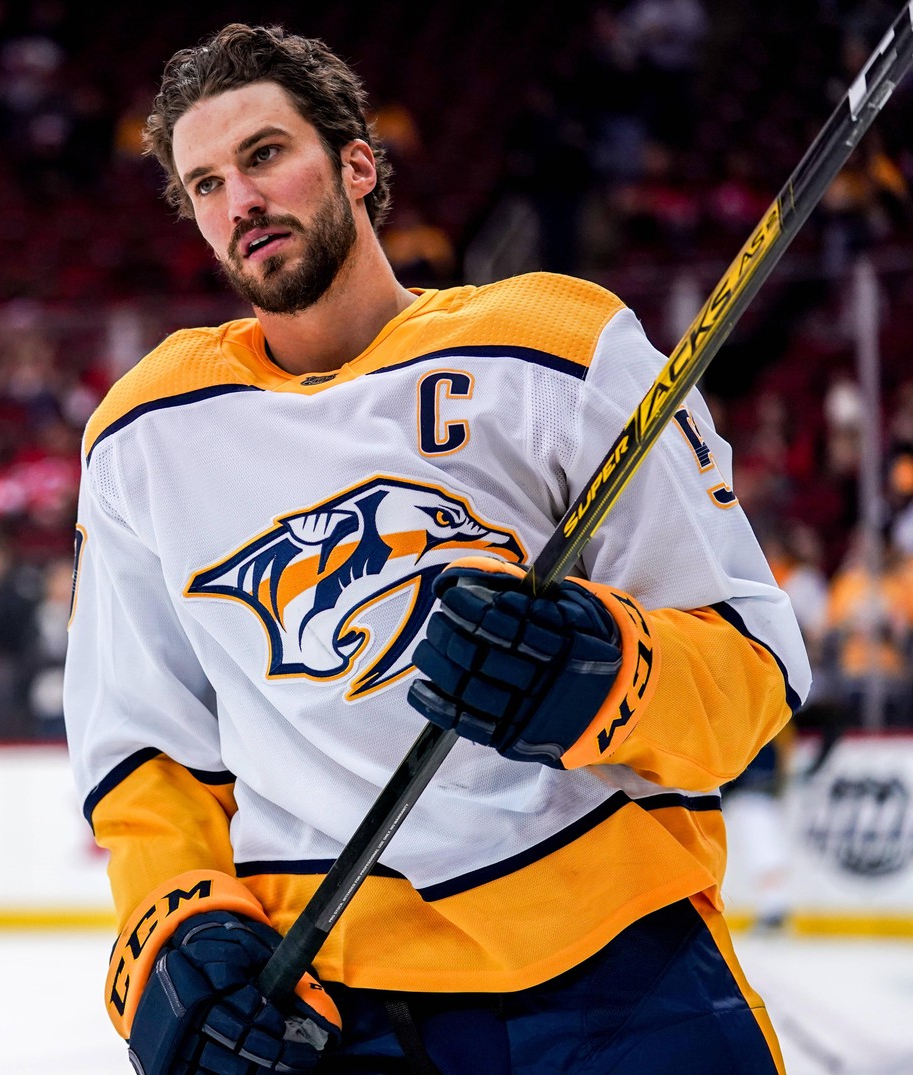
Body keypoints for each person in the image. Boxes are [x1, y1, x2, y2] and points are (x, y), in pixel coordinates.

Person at [63, 25, 810, 1075]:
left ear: (358, 164)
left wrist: (609, 670)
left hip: (618, 971)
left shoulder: (556, 349)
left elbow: (757, 664)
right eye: (206, 184)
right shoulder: (144, 433)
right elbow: (144, 743)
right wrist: (176, 923)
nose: (240, 202)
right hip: (331, 1004)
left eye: (266, 154)